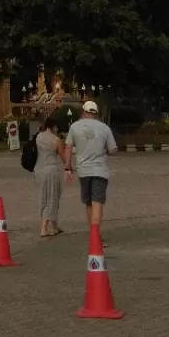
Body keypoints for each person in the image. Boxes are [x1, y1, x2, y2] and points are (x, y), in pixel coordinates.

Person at [64, 99, 118, 232]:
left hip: (83, 171)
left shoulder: (74, 127)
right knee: (97, 202)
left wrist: (67, 167)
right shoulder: (105, 128)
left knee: (88, 203)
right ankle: (96, 234)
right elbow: (113, 149)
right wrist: (103, 151)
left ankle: (92, 233)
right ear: (96, 113)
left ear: (83, 111)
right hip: (100, 170)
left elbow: (68, 146)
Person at [34, 115, 67, 237]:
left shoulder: (38, 137)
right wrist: (70, 167)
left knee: (44, 196)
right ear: (54, 127)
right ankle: (44, 228)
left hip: (39, 169)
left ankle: (54, 225)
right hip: (51, 170)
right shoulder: (56, 139)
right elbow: (63, 157)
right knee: (52, 197)